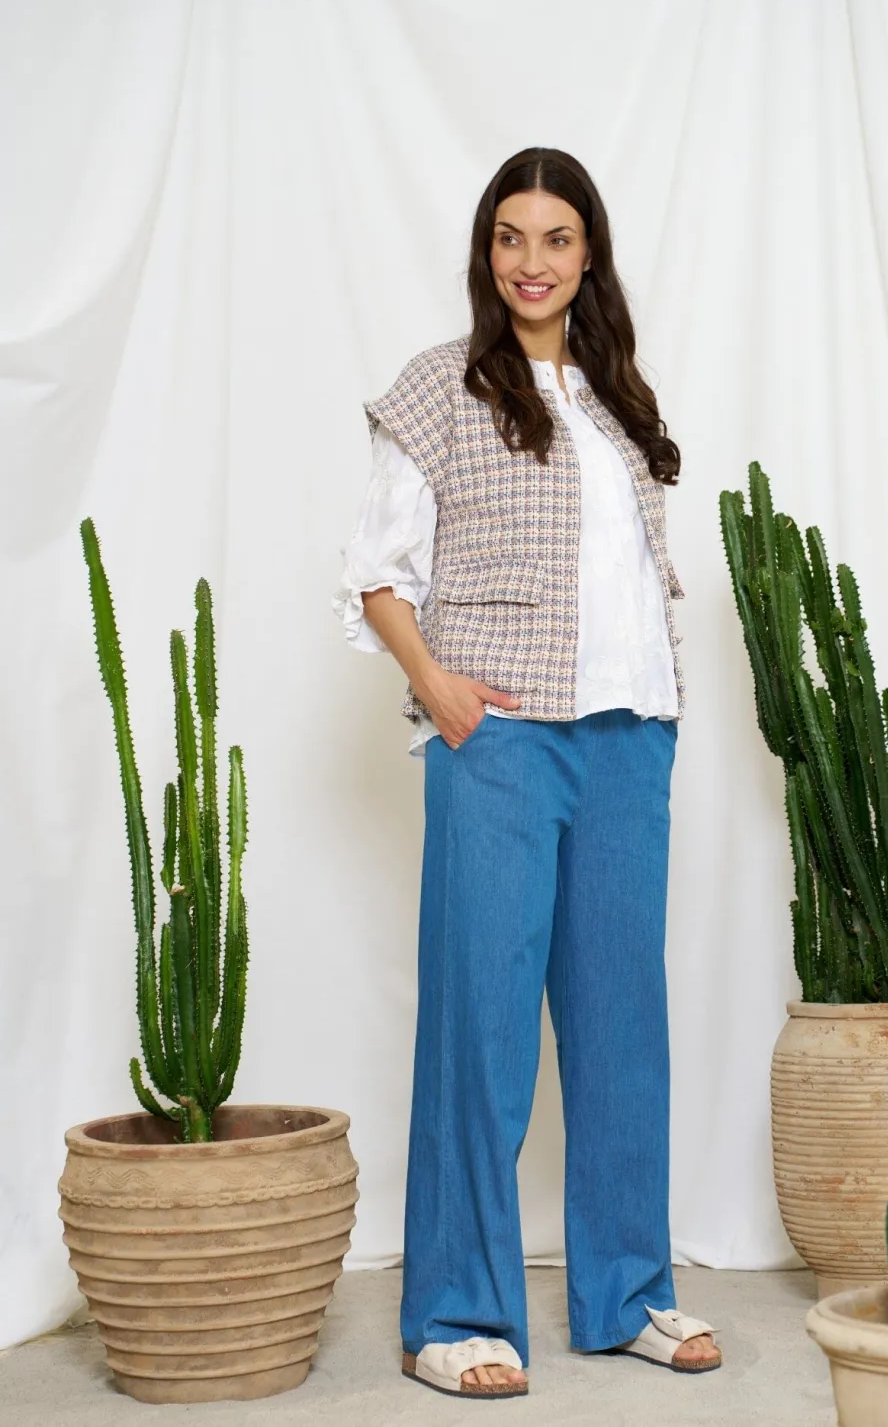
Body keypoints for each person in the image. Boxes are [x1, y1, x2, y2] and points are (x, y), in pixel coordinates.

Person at [332, 146, 721, 1399]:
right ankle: (452, 1313)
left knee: (621, 1032)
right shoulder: (441, 387)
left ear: (587, 253)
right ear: (485, 251)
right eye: (510, 236)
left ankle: (626, 1294)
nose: (531, 261)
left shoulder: (617, 401)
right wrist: (439, 688)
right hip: (498, 741)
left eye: (555, 238)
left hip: (627, 739)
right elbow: (375, 570)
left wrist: (656, 715)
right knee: (482, 1028)